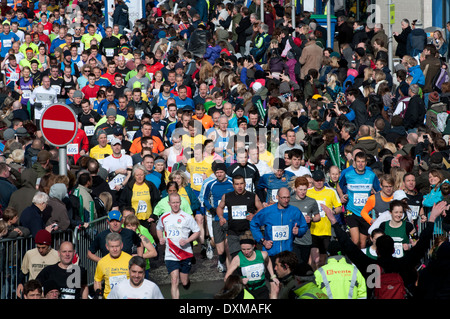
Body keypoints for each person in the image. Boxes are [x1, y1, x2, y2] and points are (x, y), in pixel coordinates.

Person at [324, 200, 447, 298]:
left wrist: (334, 222)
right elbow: (422, 245)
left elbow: (349, 247)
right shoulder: (403, 263)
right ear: (393, 250)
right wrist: (432, 219)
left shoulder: (370, 265)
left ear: (377, 250)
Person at [156, 193, 200, 299]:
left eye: (177, 202)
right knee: (174, 280)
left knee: (184, 282)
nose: (175, 205)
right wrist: (160, 238)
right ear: (169, 203)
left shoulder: (187, 217)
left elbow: (197, 231)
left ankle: (186, 281)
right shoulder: (164, 217)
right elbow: (159, 228)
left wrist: (187, 240)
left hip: (185, 253)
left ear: (180, 203)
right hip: (170, 254)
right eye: (173, 203)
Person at [337, 150, 381, 249]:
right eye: (358, 161)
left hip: (366, 212)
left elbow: (378, 191)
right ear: (354, 162)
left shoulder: (371, 175)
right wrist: (342, 196)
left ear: (366, 163)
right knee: (355, 240)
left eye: (362, 162)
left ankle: (359, 263)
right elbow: (339, 185)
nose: (360, 164)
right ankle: (352, 262)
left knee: (362, 244)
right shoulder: (348, 174)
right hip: (351, 210)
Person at [250, 187, 308, 260]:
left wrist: (298, 231)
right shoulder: (267, 211)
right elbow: (253, 224)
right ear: (277, 197)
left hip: (288, 253)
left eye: (288, 198)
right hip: (271, 253)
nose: (286, 200)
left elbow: (304, 227)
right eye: (283, 198)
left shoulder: (294, 211)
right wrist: (263, 241)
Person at [216, 174, 264, 260]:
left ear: (245, 184)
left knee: (248, 257)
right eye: (237, 184)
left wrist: (254, 216)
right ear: (233, 185)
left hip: (248, 232)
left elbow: (261, 209)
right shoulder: (227, 196)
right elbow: (220, 207)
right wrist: (221, 217)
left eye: (241, 183)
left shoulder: (252, 196)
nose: (239, 186)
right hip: (232, 232)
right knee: (235, 258)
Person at [224, 233, 279, 299]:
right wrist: (240, 281)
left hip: (261, 288)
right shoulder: (237, 259)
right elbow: (226, 278)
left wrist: (273, 276)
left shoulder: (262, 254)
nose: (246, 252)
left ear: (253, 246)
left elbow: (268, 261)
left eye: (248, 249)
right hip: (246, 289)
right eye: (243, 249)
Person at [307, 170, 342, 270]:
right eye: (317, 180)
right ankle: (315, 278)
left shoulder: (331, 192)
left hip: (326, 231)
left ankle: (321, 280)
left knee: (322, 261)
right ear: (313, 180)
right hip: (312, 231)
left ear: (324, 180)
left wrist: (333, 212)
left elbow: (339, 207)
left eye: (321, 180)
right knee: (315, 260)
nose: (319, 182)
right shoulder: (308, 192)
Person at [202, 162, 234, 272]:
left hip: (230, 218)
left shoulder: (231, 182)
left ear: (225, 172)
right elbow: (204, 198)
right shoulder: (210, 184)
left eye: (221, 172)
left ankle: (229, 273)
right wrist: (211, 209)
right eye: (217, 173)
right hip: (217, 218)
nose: (219, 174)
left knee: (228, 247)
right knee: (220, 250)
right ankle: (221, 259)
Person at [16, 229, 59, 298]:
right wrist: (20, 283)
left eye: (43, 247)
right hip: (34, 292)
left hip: (49, 293)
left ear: (49, 245)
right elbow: (23, 272)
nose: (40, 250)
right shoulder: (30, 254)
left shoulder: (57, 255)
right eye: (38, 247)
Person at [290, 176, 321, 264]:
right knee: (295, 262)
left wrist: (311, 219)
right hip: (292, 238)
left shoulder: (311, 201)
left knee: (303, 263)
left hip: (305, 238)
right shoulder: (289, 201)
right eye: (300, 189)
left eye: (305, 190)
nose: (303, 192)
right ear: (295, 188)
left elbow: (318, 216)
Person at [93, 232, 133, 299]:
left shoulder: (130, 260)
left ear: (121, 245)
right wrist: (98, 293)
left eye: (117, 246)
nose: (115, 249)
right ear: (107, 247)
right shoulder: (102, 262)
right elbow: (97, 280)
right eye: (112, 247)